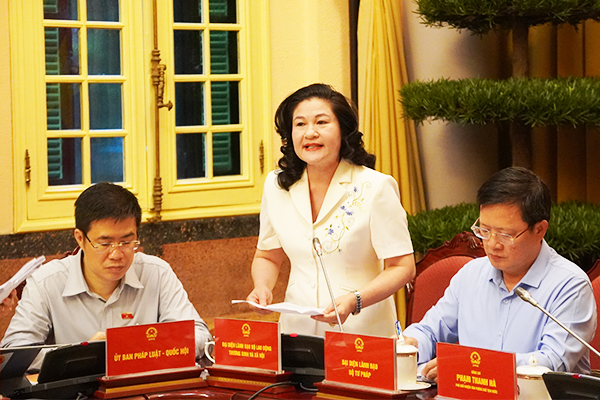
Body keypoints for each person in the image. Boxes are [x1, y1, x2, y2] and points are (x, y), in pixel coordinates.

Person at [246, 83, 416, 337]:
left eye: (321, 122)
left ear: (343, 130)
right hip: (297, 330)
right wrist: (262, 287)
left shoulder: (375, 187)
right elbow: (268, 256)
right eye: (300, 124)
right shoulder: (277, 185)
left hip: (361, 331)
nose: (310, 133)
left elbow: (402, 267)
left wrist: (355, 300)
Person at [403, 167, 597, 381]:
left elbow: (551, 363)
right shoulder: (471, 275)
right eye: (485, 231)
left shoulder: (570, 286)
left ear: (539, 230)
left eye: (505, 234)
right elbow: (430, 330)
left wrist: (471, 366)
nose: (492, 244)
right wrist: (410, 344)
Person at [1, 182, 213, 365]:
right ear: (80, 239)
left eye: (127, 242)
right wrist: (81, 354)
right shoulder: (46, 282)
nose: (117, 254)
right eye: (104, 244)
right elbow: (14, 353)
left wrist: (144, 346)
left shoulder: (156, 273)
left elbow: (200, 335)